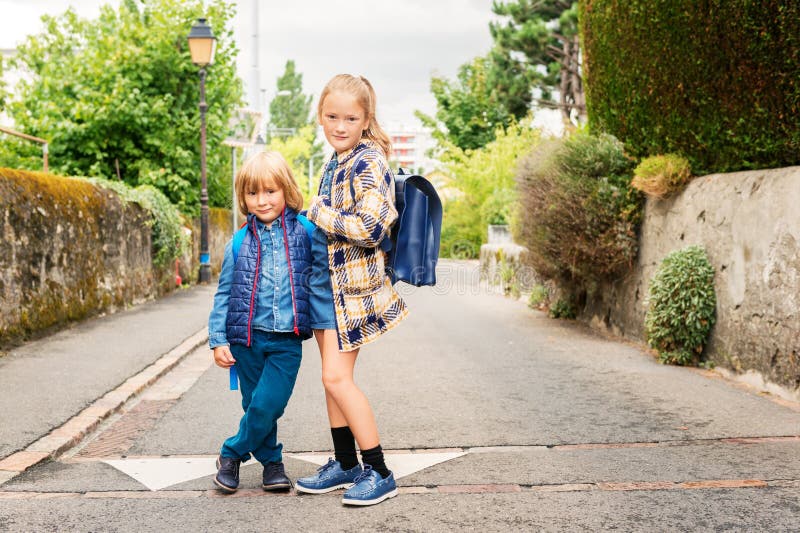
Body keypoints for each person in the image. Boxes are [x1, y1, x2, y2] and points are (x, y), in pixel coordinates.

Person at [295, 74, 409, 506]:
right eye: (331, 116)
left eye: (350, 118)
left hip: (351, 293)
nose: (339, 125)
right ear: (321, 117)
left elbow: (373, 227)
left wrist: (320, 214)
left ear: (366, 120)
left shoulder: (367, 162)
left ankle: (379, 471)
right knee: (331, 383)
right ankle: (345, 464)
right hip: (325, 288)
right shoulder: (335, 160)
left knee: (336, 378)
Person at [207, 150, 313, 494]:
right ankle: (272, 464)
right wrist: (218, 339)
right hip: (247, 339)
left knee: (270, 403)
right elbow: (224, 294)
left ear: (287, 191)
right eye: (253, 193)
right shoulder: (238, 241)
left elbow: (328, 269)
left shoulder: (306, 232)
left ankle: (231, 452)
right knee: (256, 406)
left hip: (287, 340)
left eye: (270, 191)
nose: (262, 200)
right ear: (243, 198)